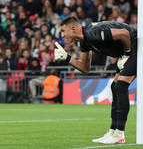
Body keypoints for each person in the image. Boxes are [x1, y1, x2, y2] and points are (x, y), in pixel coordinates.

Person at [54, 16, 137, 144]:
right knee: (114, 87)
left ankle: (120, 134)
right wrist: (67, 57)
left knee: (120, 86)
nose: (63, 35)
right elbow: (85, 68)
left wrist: (126, 54)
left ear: (74, 28)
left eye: (64, 31)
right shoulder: (84, 41)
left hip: (135, 46)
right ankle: (113, 131)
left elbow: (124, 34)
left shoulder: (93, 33)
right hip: (125, 51)